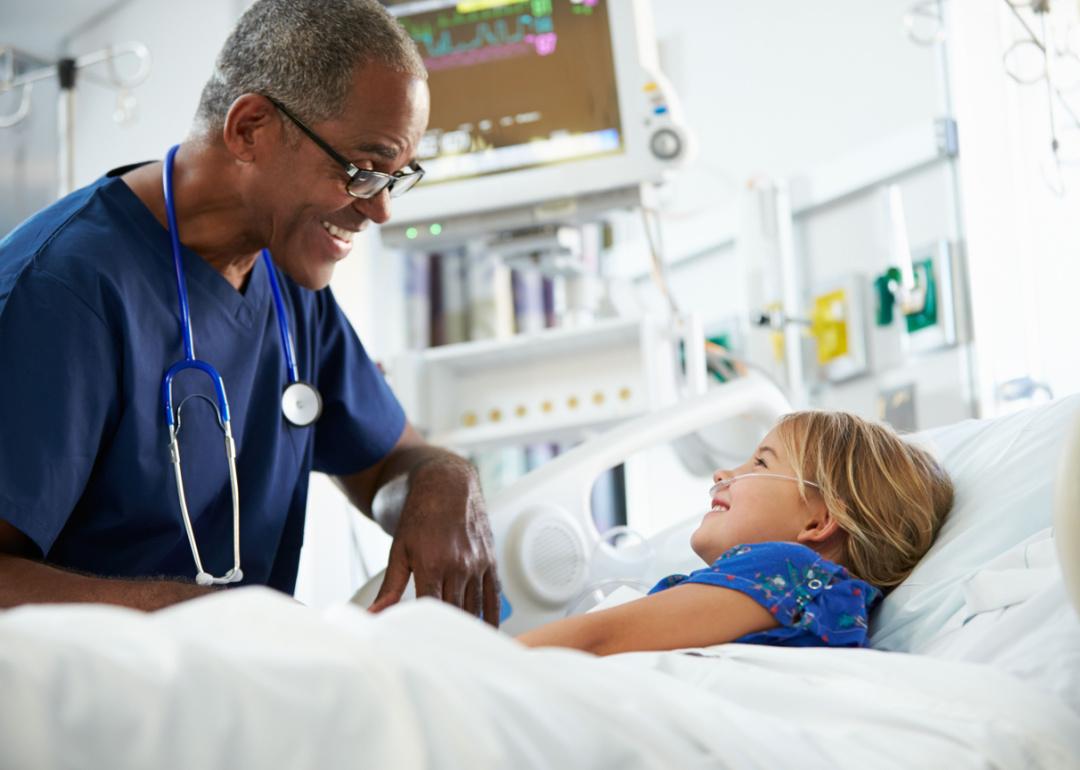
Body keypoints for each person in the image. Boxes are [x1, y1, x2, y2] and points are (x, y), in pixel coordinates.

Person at [0, 0, 501, 623]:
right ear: (250, 130)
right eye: (363, 171)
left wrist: (444, 481)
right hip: (86, 708)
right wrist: (192, 617)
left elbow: (393, 464)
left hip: (237, 692)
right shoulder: (64, 293)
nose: (379, 212)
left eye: (396, 179)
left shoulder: (288, 281)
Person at [518, 411, 954, 653]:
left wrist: (474, 661)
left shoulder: (791, 572)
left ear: (819, 522)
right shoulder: (812, 598)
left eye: (761, 463)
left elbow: (598, 638)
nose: (724, 472)